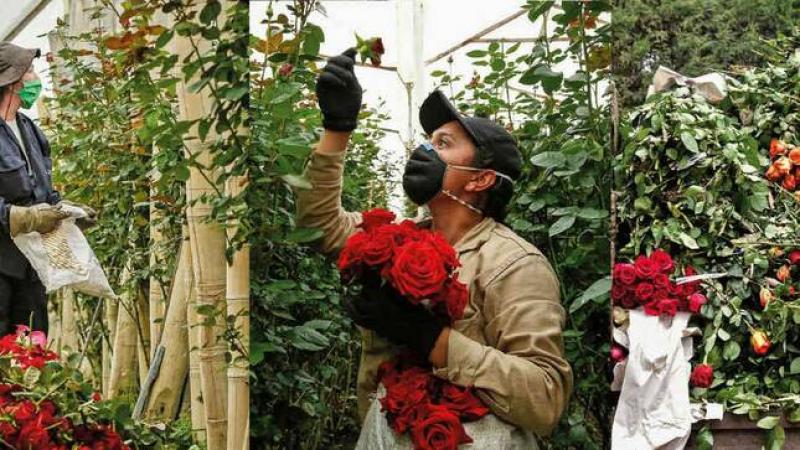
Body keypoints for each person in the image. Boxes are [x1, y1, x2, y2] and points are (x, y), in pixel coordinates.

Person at [294, 48, 572, 440]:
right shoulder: (396, 240)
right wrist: (337, 128)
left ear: (481, 179)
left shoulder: (513, 264)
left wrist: (428, 337)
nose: (422, 151)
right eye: (427, 141)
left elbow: (545, 396)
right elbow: (319, 226)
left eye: (443, 143)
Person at [0, 42, 95, 336]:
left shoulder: (29, 128)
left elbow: (43, 191)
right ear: (12, 82)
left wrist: (68, 212)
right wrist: (18, 217)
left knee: (31, 341)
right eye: (28, 71)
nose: (34, 77)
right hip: (1, 263)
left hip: (31, 262)